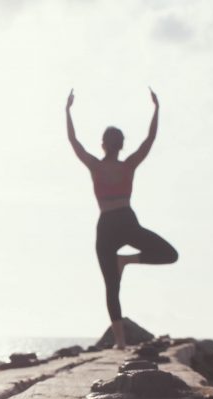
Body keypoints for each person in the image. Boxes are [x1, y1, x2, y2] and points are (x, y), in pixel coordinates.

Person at [66, 88, 178, 350]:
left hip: (106, 225)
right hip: (126, 221)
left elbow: (74, 142)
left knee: (111, 285)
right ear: (121, 145)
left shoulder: (96, 165)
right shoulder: (128, 166)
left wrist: (67, 111)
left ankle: (120, 342)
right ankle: (127, 260)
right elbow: (150, 140)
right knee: (169, 254)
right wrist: (156, 110)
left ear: (103, 144)